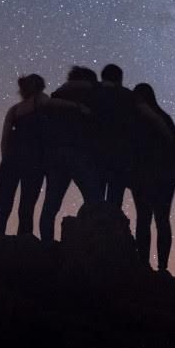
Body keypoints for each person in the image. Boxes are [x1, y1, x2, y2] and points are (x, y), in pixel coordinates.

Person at [41, 66, 102, 240]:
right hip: (80, 151)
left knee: (51, 204)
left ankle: (46, 245)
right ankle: (95, 242)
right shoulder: (92, 94)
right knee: (94, 200)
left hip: (55, 153)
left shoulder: (56, 96)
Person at [0, 74, 48, 241]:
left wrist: (6, 159)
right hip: (34, 161)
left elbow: (5, 139)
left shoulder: (14, 110)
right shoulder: (41, 101)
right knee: (26, 207)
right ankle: (24, 243)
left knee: (4, 206)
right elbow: (50, 104)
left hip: (11, 161)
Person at [131, 83, 175, 272]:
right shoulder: (165, 118)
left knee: (143, 220)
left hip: (143, 178)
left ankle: (143, 265)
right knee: (162, 220)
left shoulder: (135, 120)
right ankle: (162, 267)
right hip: (165, 179)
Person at [89, 64, 142, 208]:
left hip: (96, 150)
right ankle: (112, 226)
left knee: (95, 197)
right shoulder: (128, 96)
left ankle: (95, 226)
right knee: (115, 198)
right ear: (120, 78)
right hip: (121, 153)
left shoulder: (92, 93)